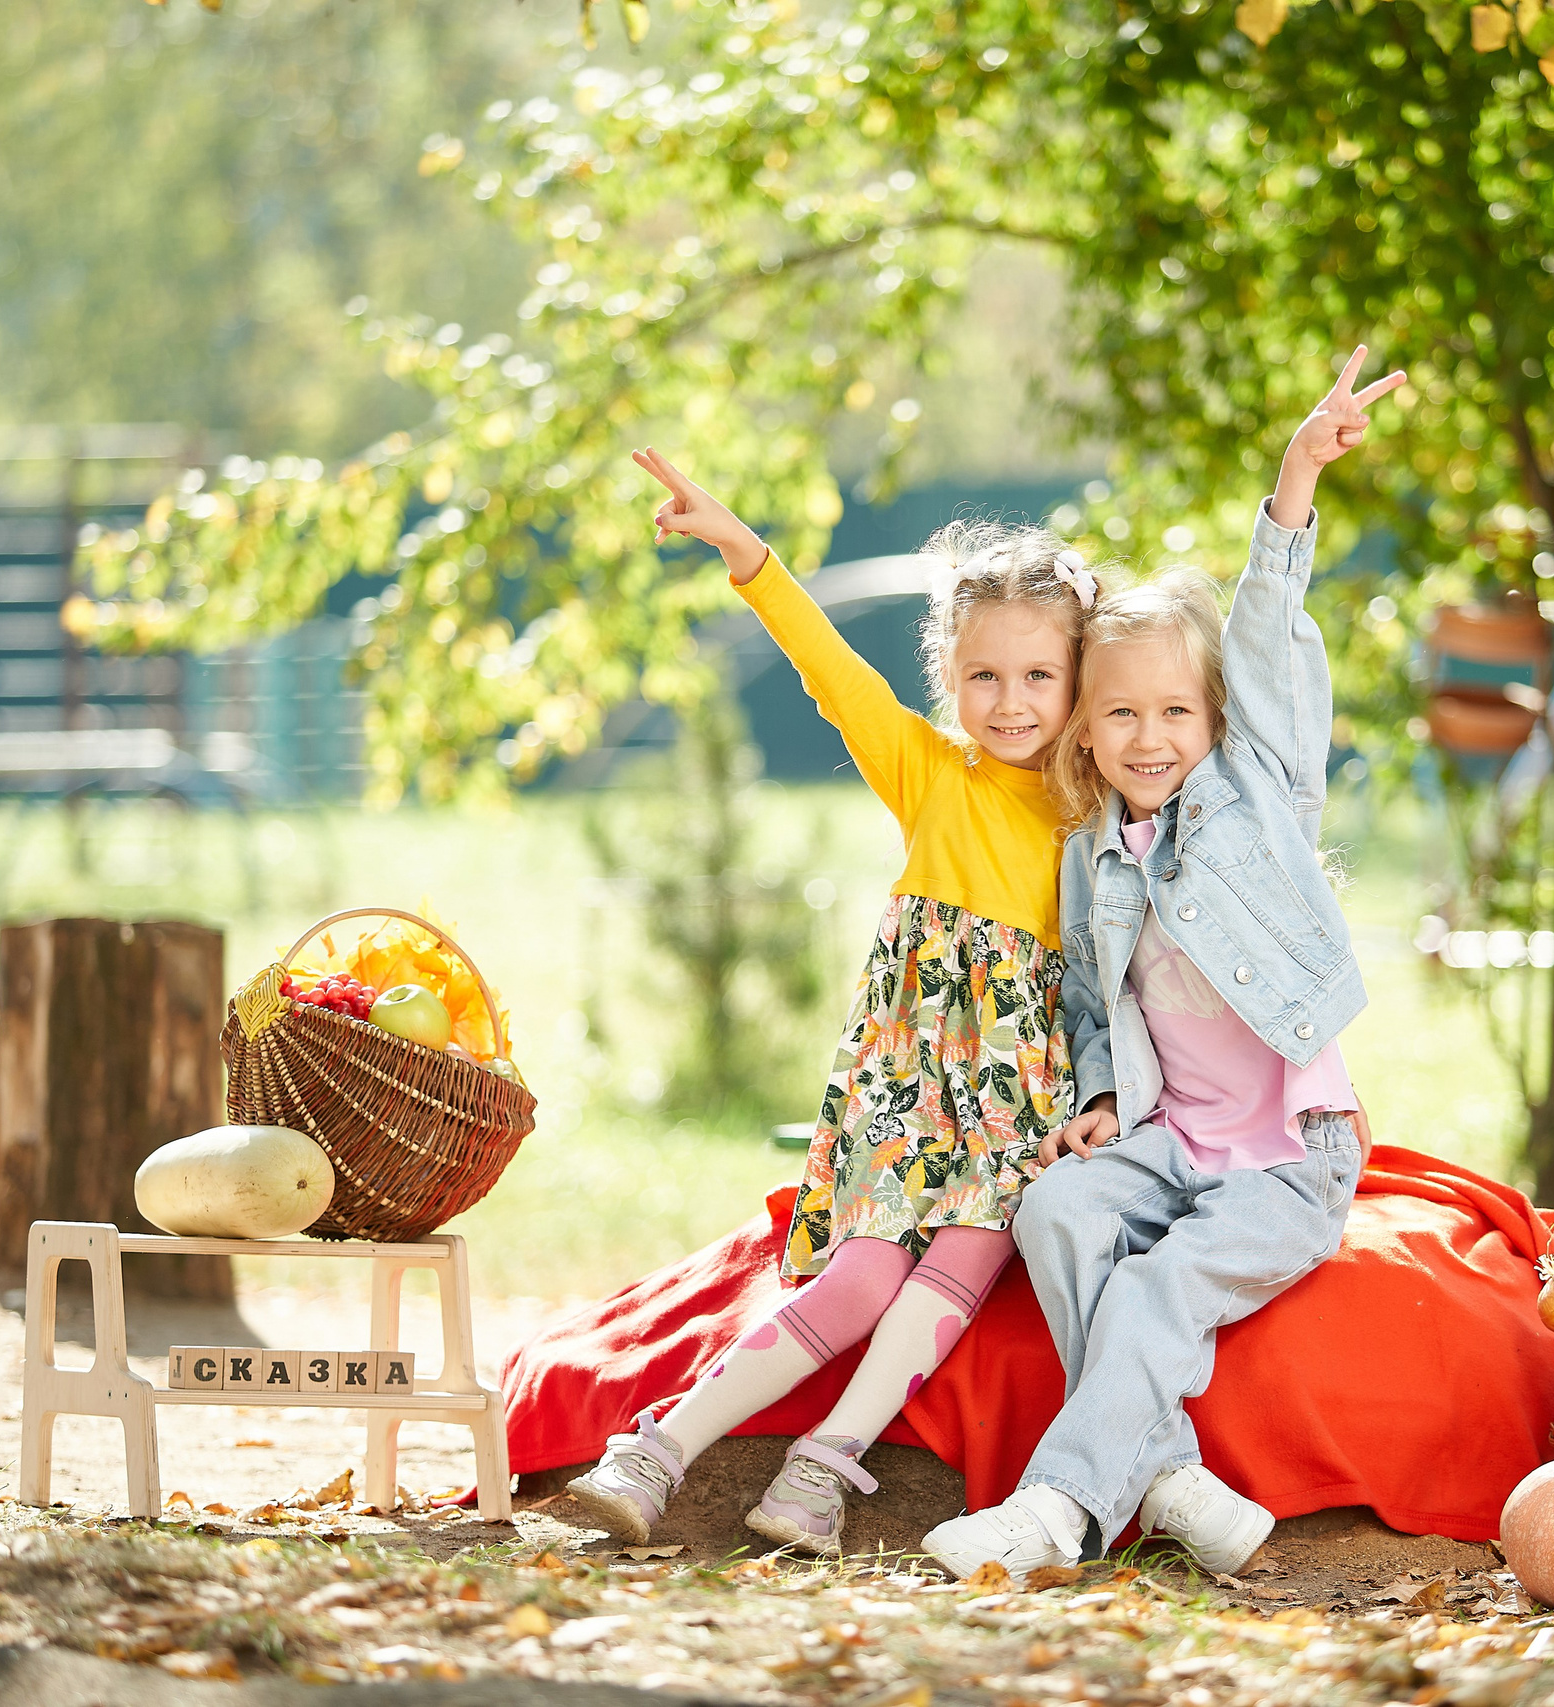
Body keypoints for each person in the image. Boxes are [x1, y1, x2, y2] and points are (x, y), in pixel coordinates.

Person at [923, 347, 1406, 1578]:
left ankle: (1053, 1514)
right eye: (1121, 714)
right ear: (1085, 728)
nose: (1150, 738)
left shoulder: (1257, 792)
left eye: (1176, 712)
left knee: (1153, 1290)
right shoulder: (1094, 854)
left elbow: (1264, 633)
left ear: (1217, 722)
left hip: (1290, 1157)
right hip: (1173, 1137)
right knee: (1058, 1207)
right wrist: (1096, 1097)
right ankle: (1177, 1485)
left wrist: (1296, 479)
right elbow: (1095, 1000)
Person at [565, 447, 1091, 1554]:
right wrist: (744, 551)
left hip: (1017, 1103)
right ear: (950, 677)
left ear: (1078, 680)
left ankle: (822, 1468)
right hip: (904, 1084)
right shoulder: (931, 775)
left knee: (965, 1258)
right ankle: (659, 1449)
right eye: (984, 677)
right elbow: (829, 667)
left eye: (1038, 677)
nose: (1009, 702)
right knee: (859, 1280)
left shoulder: (1095, 817)